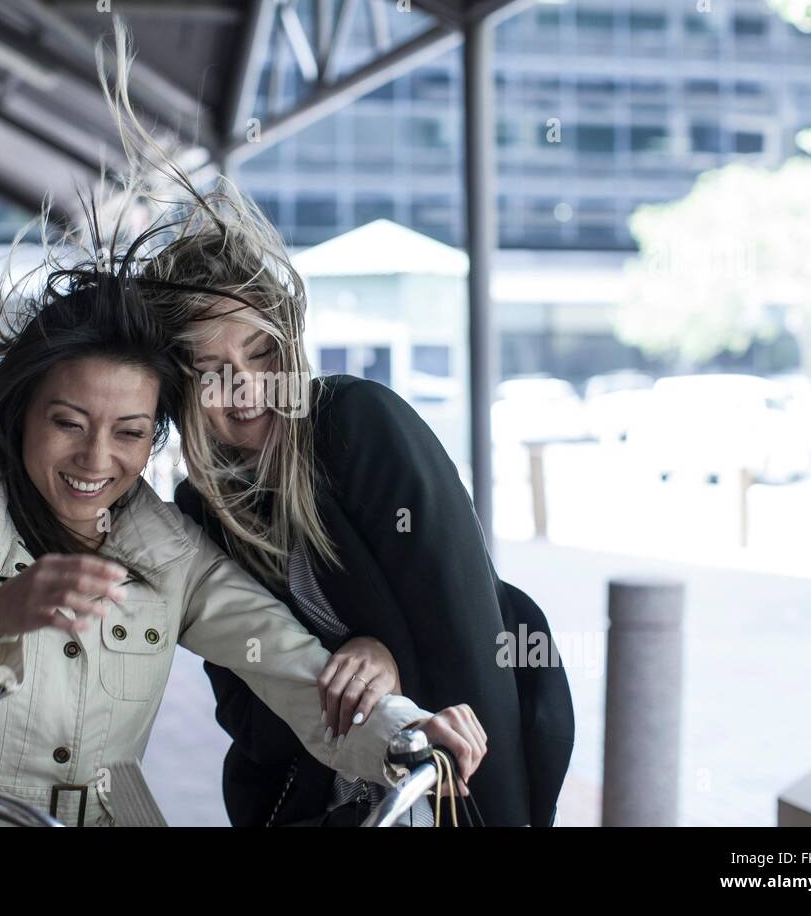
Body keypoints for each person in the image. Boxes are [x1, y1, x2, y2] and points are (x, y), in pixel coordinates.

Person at [0, 213, 489, 827]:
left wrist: (407, 733)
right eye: (69, 423)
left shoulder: (169, 548)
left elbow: (293, 671)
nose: (96, 459)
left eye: (129, 432)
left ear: (155, 439)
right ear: (21, 413)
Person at [136, 164, 575, 829]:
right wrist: (350, 681)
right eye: (211, 372)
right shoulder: (199, 513)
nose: (248, 388)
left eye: (262, 354)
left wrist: (387, 660)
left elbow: (471, 646)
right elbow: (253, 723)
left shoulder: (356, 425)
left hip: (451, 788)